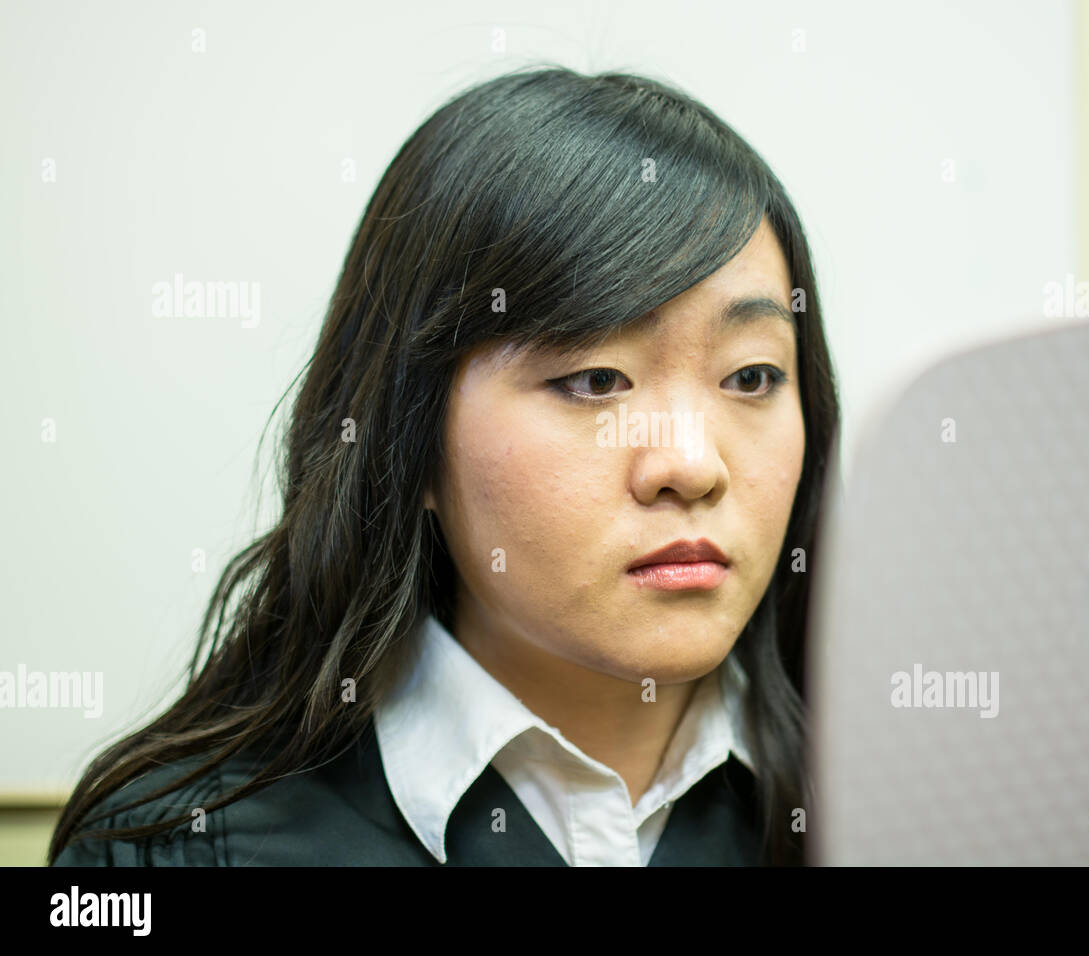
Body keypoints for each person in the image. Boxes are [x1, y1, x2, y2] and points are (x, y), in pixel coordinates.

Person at [48, 64, 840, 867]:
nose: (692, 465)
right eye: (596, 380)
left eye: (752, 377)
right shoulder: (174, 853)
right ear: (411, 435)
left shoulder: (901, 808)